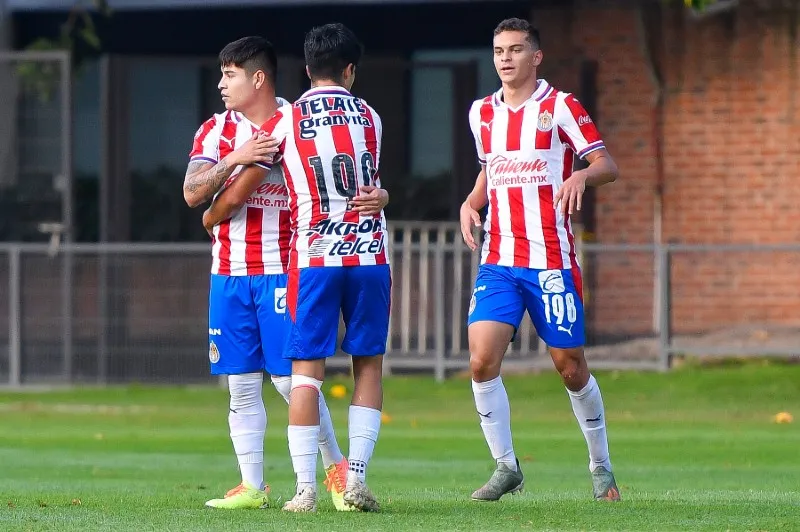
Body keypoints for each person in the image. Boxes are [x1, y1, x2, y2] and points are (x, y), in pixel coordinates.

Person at [184, 36, 387, 511]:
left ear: (258, 78)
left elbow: (218, 206)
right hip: (229, 272)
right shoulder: (214, 131)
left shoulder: (293, 122)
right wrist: (235, 158)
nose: (221, 84)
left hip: (283, 267)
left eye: (229, 74)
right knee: (240, 383)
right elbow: (193, 192)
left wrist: (213, 216)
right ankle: (252, 486)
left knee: (287, 379)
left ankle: (336, 470)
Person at [459, 18, 621, 502]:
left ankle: (601, 465)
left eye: (514, 49)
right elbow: (491, 169)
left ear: (536, 56)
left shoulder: (560, 106)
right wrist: (472, 201)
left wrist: (581, 178)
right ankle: (506, 467)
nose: (505, 58)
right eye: (497, 50)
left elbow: (606, 164)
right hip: (500, 260)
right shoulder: (481, 113)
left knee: (570, 367)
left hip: (551, 259)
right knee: (481, 360)